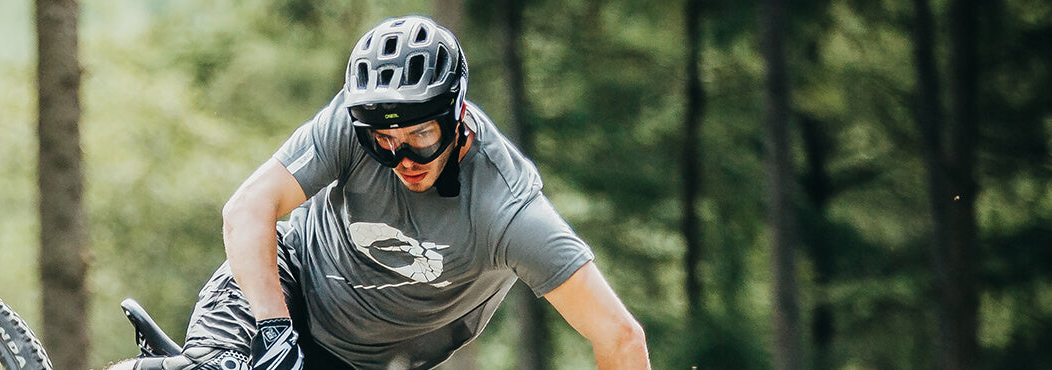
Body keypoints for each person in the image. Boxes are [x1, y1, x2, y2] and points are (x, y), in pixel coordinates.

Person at [109, 14, 650, 370]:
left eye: (421, 137)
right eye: (386, 141)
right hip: (283, 288)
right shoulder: (349, 126)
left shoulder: (507, 211)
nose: (403, 160)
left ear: (457, 115)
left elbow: (621, 336)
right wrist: (275, 332)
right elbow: (248, 207)